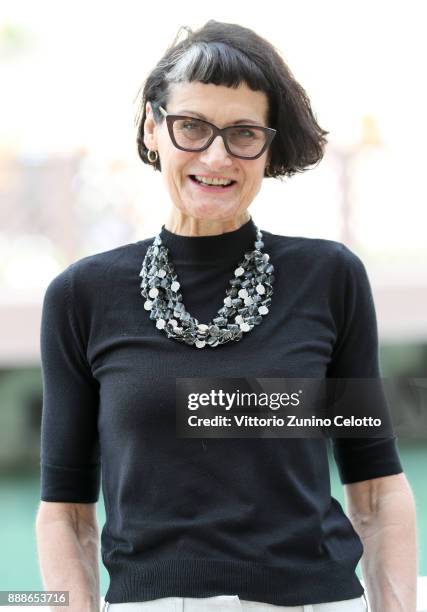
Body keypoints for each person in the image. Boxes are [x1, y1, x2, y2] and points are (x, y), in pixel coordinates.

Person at [36, 20, 417, 612]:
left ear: (268, 146)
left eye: (243, 133)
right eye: (192, 126)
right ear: (152, 127)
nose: (217, 155)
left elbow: (374, 490)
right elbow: (65, 512)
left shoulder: (331, 278)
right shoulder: (81, 296)